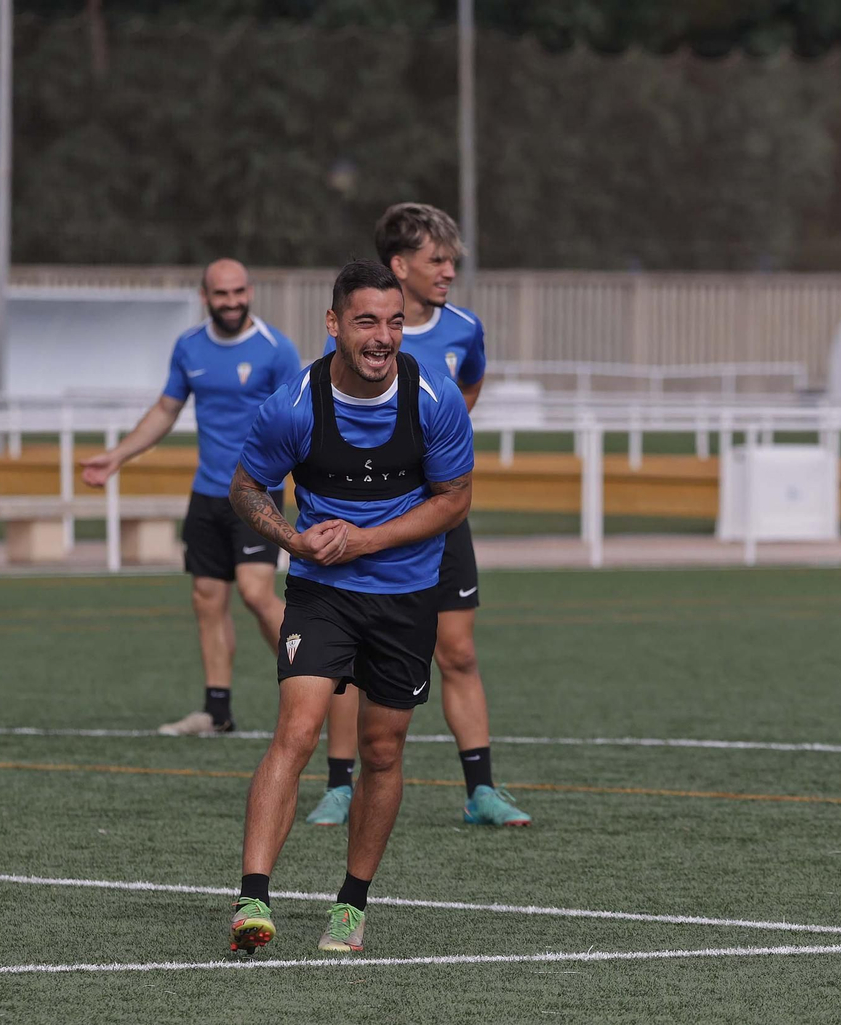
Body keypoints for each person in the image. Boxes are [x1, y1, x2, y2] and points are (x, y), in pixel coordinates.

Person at [227, 260, 475, 955]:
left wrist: (366, 539)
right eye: (367, 321)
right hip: (323, 592)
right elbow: (246, 488)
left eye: (395, 322)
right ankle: (253, 897)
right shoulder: (294, 404)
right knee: (298, 729)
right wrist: (292, 538)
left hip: (406, 594)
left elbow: (454, 501)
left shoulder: (433, 398)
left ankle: (351, 904)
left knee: (382, 748)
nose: (383, 337)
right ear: (334, 324)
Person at [306, 203, 530, 829]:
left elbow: (468, 388)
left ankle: (481, 790)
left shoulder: (465, 328)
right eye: (438, 259)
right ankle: (339, 786)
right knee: (349, 661)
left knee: (457, 652)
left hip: (440, 518)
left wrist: (439, 444)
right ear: (399, 265)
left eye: (452, 260)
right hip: (363, 519)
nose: (449, 270)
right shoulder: (360, 337)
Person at [80, 259, 301, 735]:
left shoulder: (276, 349)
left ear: (250, 291)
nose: (232, 302)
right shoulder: (189, 346)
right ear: (205, 297)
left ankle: (316, 683)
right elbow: (166, 409)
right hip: (206, 494)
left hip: (257, 493)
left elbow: (299, 421)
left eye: (239, 292)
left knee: (256, 593)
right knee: (206, 598)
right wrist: (117, 456)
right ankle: (216, 712)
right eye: (221, 294)